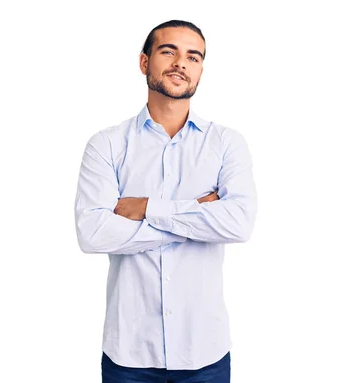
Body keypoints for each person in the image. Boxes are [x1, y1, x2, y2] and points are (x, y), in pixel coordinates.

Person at [74, 20, 257, 383]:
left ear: (201, 70)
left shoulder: (226, 144)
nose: (181, 63)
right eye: (168, 51)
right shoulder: (106, 145)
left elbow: (239, 224)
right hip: (129, 353)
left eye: (193, 56)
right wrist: (199, 215)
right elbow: (93, 234)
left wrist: (147, 208)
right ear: (144, 62)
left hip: (204, 351)